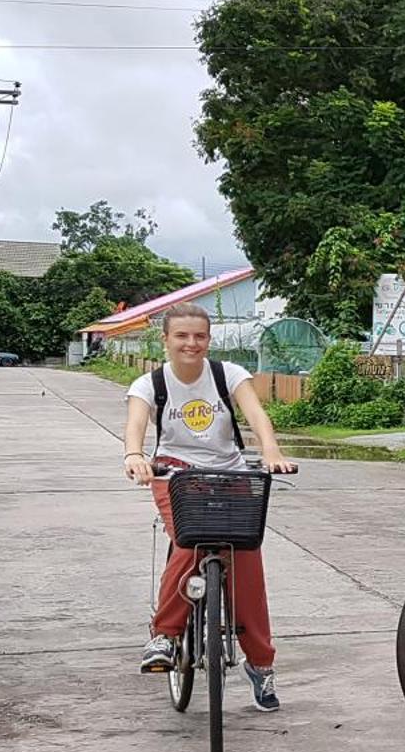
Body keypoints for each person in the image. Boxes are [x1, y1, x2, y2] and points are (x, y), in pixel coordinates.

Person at [123, 303, 297, 712]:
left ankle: (260, 664)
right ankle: (164, 635)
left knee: (247, 561)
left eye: (199, 336)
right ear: (165, 340)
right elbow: (136, 425)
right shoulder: (148, 384)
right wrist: (134, 455)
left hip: (231, 473)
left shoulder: (227, 375)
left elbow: (256, 414)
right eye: (182, 336)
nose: (191, 343)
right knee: (191, 541)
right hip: (175, 475)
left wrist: (271, 452)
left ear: (209, 340)